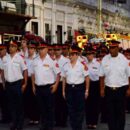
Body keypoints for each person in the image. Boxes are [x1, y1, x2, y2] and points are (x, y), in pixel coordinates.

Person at [99, 40, 130, 130]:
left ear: (117, 48)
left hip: (121, 90)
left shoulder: (124, 60)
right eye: (110, 48)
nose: (111, 50)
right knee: (110, 113)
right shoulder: (105, 59)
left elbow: (129, 75)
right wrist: (101, 89)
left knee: (120, 113)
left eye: (113, 48)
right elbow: (101, 76)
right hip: (109, 90)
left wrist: (129, 89)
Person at [31, 41, 60, 130]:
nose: (41, 50)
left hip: (48, 88)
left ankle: (50, 126)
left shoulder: (52, 61)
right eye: (39, 49)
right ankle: (44, 125)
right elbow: (32, 74)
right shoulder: (35, 60)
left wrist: (55, 85)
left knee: (50, 108)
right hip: (38, 88)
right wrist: (33, 86)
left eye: (42, 49)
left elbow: (58, 74)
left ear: (47, 49)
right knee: (41, 108)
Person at [1, 40, 28, 130]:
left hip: (17, 84)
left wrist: (25, 84)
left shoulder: (20, 58)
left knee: (19, 105)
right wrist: (4, 83)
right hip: (8, 84)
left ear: (16, 48)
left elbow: (25, 70)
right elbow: (2, 71)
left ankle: (20, 124)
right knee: (11, 105)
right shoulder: (5, 58)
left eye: (13, 46)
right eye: (10, 46)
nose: (10, 48)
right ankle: (14, 123)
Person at [62, 45, 90, 130]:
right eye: (70, 54)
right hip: (69, 89)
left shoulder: (82, 65)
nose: (70, 56)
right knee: (71, 110)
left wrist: (87, 90)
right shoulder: (66, 65)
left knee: (79, 109)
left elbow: (87, 78)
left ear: (77, 55)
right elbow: (64, 78)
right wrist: (63, 91)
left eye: (72, 54)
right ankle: (74, 127)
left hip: (79, 89)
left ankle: (78, 127)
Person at [24, 40, 39, 125]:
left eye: (32, 48)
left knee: (35, 99)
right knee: (28, 99)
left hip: (35, 80)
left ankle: (36, 117)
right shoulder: (25, 59)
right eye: (29, 48)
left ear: (35, 49)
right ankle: (31, 117)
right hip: (27, 79)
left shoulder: (37, 58)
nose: (30, 50)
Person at [54, 44, 69, 127]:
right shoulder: (52, 60)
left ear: (61, 51)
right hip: (54, 83)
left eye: (58, 50)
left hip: (62, 83)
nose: (57, 51)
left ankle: (64, 121)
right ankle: (57, 120)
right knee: (56, 103)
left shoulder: (66, 60)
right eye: (55, 50)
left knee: (63, 103)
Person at [85, 49, 100, 129]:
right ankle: (88, 122)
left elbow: (100, 75)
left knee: (95, 104)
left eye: (90, 54)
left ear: (93, 54)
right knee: (88, 104)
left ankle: (94, 122)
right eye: (87, 54)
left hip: (95, 85)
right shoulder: (85, 64)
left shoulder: (98, 64)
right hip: (87, 85)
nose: (88, 55)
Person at [0, 43, 10, 123]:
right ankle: (4, 117)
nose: (0, 51)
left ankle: (8, 117)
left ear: (5, 50)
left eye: (1, 50)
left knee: (7, 101)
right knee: (2, 101)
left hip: (7, 82)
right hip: (0, 82)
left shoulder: (8, 58)